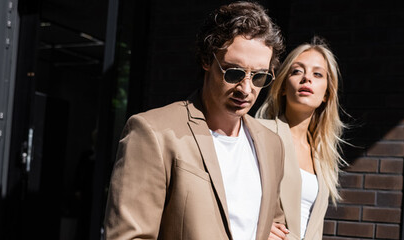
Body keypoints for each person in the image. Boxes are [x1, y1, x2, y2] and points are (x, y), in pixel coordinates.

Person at [103, 2, 286, 239]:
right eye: (234, 73)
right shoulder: (153, 132)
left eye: (259, 76)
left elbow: (276, 224)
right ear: (207, 60)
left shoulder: (272, 145)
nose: (246, 88)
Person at [257, 37, 347, 240]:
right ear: (282, 87)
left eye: (317, 74)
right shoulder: (260, 132)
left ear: (326, 94)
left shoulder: (322, 153)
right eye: (297, 71)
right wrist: (255, 224)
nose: (307, 79)